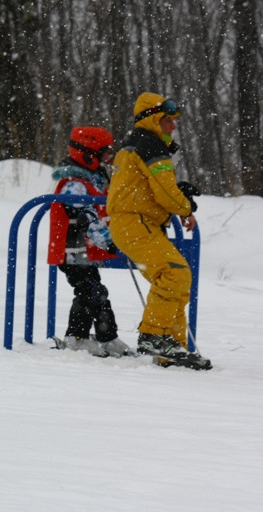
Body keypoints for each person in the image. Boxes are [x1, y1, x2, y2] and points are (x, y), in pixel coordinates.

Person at [106, 92, 211, 370]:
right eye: (168, 120)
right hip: (135, 223)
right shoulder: (150, 146)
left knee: (176, 282)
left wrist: (180, 195)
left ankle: (173, 347)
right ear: (153, 119)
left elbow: (151, 190)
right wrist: (186, 207)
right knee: (175, 273)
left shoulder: (136, 145)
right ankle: (154, 337)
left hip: (134, 224)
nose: (173, 127)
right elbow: (165, 193)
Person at [48, 126, 135, 358]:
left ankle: (96, 337)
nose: (107, 158)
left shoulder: (92, 180)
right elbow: (87, 219)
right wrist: (108, 241)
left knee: (93, 291)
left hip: (81, 252)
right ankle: (83, 338)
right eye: (104, 153)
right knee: (90, 291)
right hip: (72, 251)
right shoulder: (74, 183)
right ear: (87, 153)